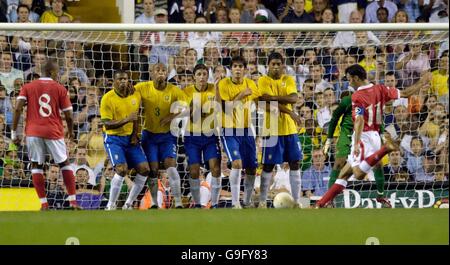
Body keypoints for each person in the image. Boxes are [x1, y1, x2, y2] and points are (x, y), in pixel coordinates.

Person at [316, 64, 432, 208]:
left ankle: (385, 150)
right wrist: (421, 82)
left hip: (363, 136)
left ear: (356, 78)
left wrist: (357, 143)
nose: (349, 82)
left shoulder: (357, 96)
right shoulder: (381, 89)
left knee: (357, 173)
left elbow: (359, 120)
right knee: (345, 174)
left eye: (349, 79)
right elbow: (406, 93)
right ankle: (320, 204)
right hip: (376, 135)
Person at [11, 60, 79, 210]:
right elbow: (68, 114)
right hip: (53, 131)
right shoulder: (60, 88)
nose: (59, 75)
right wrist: (72, 132)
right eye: (58, 72)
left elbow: (17, 109)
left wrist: (13, 132)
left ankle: (44, 203)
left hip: (33, 132)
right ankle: (73, 201)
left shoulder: (28, 86)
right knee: (64, 163)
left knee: (36, 165)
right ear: (53, 73)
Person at [323, 92, 392, 207]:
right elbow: (334, 118)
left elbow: (378, 120)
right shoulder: (346, 101)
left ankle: (381, 195)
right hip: (348, 132)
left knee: (378, 163)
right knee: (339, 162)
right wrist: (329, 139)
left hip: (365, 133)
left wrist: (383, 136)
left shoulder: (371, 102)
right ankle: (329, 200)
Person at [134, 63, 186, 209]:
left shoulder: (174, 90)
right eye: (158, 70)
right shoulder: (142, 87)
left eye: (164, 70)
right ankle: (156, 203)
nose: (161, 73)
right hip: (149, 135)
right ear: (151, 73)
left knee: (171, 166)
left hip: (167, 136)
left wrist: (171, 116)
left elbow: (186, 107)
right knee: (153, 170)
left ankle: (178, 202)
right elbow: (130, 96)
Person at [100, 70, 151, 210]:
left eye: (125, 79)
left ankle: (128, 204)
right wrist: (126, 120)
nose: (123, 82)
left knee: (145, 170)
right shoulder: (107, 98)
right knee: (122, 170)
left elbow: (135, 117)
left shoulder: (135, 95)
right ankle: (111, 205)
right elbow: (106, 123)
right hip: (113, 138)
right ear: (114, 81)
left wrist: (135, 134)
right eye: (120, 79)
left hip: (130, 138)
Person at [257, 52, 302, 208]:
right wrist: (289, 111)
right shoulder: (263, 80)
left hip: (289, 129)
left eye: (278, 64)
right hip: (272, 129)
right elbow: (265, 102)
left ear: (283, 65)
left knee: (295, 163)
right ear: (268, 65)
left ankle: (296, 202)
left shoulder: (288, 79)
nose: (276, 67)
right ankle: (262, 201)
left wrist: (272, 97)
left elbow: (294, 98)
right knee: (268, 165)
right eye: (273, 64)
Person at [218, 56, 260, 209]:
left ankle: (247, 202)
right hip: (229, 130)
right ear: (230, 69)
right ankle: (236, 203)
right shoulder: (224, 84)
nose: (237, 69)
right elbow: (226, 108)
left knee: (251, 168)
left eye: (240, 66)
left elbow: (259, 99)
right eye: (234, 66)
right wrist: (241, 95)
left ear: (244, 69)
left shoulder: (250, 84)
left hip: (247, 130)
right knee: (236, 163)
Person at [182, 64, 222, 208]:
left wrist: (217, 88)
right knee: (194, 170)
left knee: (216, 168)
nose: (202, 77)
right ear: (194, 77)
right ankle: (197, 203)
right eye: (199, 74)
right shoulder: (186, 92)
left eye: (204, 74)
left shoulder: (213, 88)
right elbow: (192, 116)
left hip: (210, 135)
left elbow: (219, 107)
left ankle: (215, 203)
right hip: (192, 136)